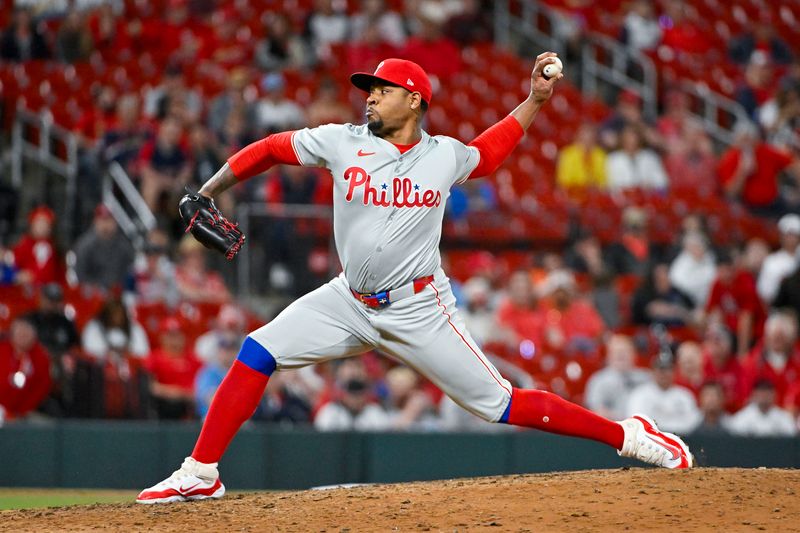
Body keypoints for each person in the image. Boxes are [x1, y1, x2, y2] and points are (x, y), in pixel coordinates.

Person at [137, 53, 693, 505]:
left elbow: (490, 151)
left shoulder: (443, 156)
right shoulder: (342, 141)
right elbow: (269, 150)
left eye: (381, 88)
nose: (369, 96)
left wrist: (533, 102)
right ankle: (200, 471)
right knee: (258, 350)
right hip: (347, 300)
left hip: (419, 309)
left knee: (500, 403)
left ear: (415, 99)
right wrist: (208, 190)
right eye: (369, 88)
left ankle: (630, 436)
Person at [627, 355, 703, 435]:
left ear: (674, 371)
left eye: (668, 369)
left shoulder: (684, 395)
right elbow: (636, 422)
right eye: (660, 369)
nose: (663, 373)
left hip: (681, 439)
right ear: (653, 371)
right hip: (650, 440)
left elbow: (693, 423)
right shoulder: (640, 394)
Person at [584, 334, 651, 421]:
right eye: (617, 352)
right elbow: (595, 411)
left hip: (644, 428)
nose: (621, 355)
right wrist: (625, 420)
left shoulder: (646, 377)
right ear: (608, 356)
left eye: (625, 351)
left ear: (634, 354)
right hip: (613, 427)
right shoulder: (598, 380)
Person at [72, 205, 135, 293]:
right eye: (102, 220)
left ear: (115, 222)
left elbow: (130, 271)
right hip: (93, 293)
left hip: (117, 292)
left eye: (109, 220)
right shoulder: (85, 245)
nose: (106, 225)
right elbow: (80, 274)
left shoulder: (124, 245)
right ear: (95, 221)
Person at [0, 318, 52, 420]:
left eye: (26, 333)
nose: (23, 336)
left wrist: (22, 411)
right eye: (20, 332)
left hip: (28, 411)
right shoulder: (2, 351)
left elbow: (42, 387)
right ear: (12, 334)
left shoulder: (41, 357)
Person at [726, 379, 797, 437]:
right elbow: (734, 437)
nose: (764, 396)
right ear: (753, 394)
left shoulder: (783, 417)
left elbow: (791, 436)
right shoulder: (742, 417)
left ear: (775, 395)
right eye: (761, 392)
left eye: (768, 392)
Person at [757, 214, 800, 305]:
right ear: (781, 236)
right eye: (788, 235)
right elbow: (765, 294)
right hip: (781, 308)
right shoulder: (772, 261)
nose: (791, 239)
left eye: (794, 235)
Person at [555, 123, 607, 192]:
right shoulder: (567, 155)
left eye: (590, 140)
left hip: (595, 194)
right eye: (584, 140)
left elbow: (603, 181)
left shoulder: (600, 155)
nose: (587, 143)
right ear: (578, 138)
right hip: (573, 194)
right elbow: (563, 182)